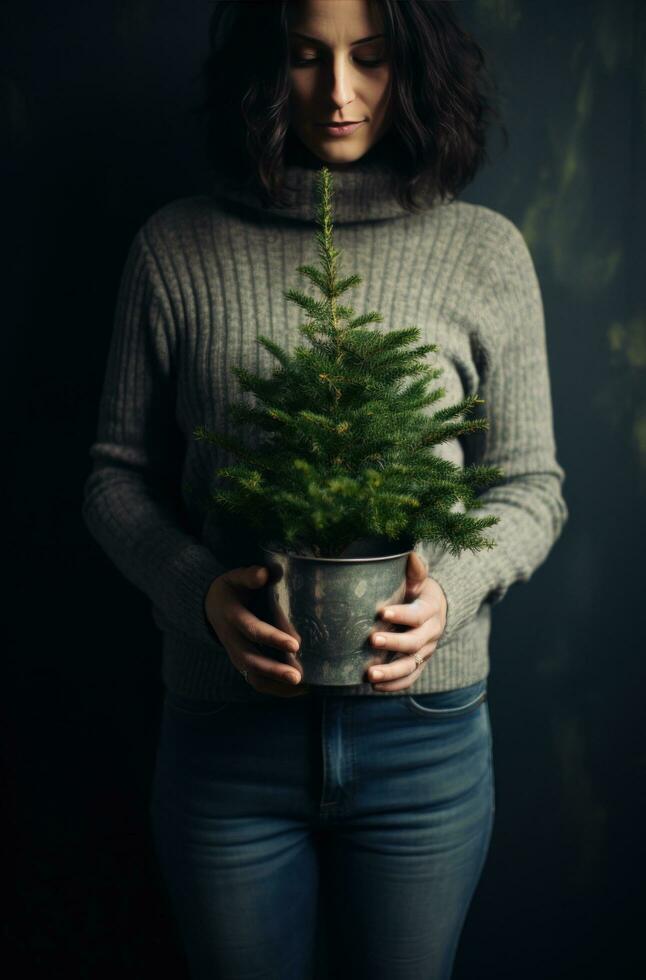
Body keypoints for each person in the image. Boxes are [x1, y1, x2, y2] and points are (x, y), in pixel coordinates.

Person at [81, 1, 569, 977]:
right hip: (224, 745)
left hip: (423, 746)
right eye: (306, 58)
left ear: (416, 69)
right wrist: (198, 592)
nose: (337, 94)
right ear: (268, 65)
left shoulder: (483, 250)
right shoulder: (176, 247)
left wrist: (452, 590)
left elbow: (530, 485)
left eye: (371, 60)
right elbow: (113, 477)